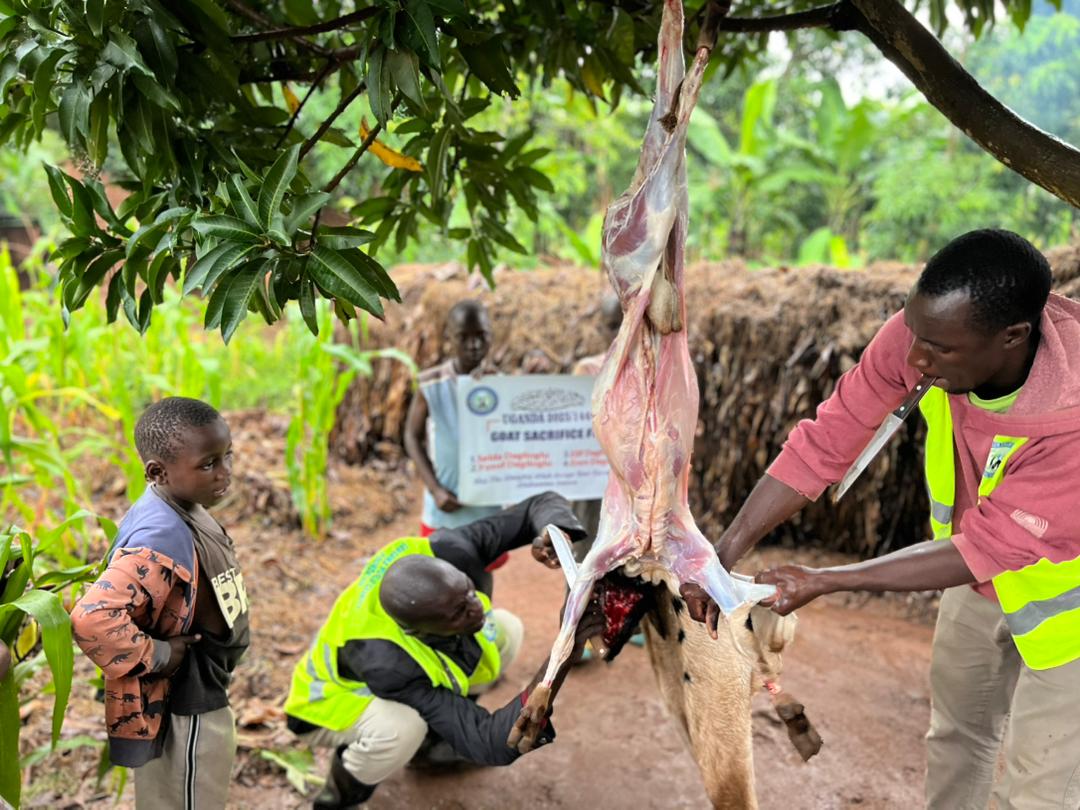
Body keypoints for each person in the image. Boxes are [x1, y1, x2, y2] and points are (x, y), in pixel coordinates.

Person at [680, 229, 1080, 809]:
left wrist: (829, 579)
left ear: (1012, 336)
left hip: (1067, 604)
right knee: (956, 739)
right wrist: (721, 556)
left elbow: (987, 547)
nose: (914, 358)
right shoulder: (929, 336)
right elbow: (826, 442)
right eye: (914, 331)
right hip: (976, 580)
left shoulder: (1070, 417)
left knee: (1038, 787)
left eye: (938, 348)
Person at [283, 492, 601, 809]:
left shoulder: (451, 550)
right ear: (419, 632)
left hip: (410, 649)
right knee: (401, 730)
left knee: (506, 629)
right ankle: (337, 799)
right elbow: (488, 741)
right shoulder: (389, 665)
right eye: (458, 613)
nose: (476, 609)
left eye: (469, 592)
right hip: (323, 706)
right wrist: (563, 653)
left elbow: (539, 504)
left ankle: (436, 744)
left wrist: (553, 531)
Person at [72, 397, 248, 810]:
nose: (225, 473)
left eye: (227, 456)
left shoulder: (185, 505)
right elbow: (92, 617)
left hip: (206, 686)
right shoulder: (160, 537)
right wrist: (160, 653)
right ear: (157, 472)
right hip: (184, 707)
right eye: (208, 464)